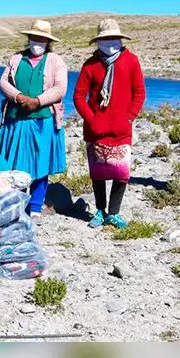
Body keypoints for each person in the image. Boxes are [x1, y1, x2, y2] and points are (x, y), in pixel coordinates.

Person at [73, 19, 146, 229]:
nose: (110, 42)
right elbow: (79, 96)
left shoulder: (131, 61)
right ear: (98, 41)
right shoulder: (90, 64)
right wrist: (91, 118)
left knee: (121, 173)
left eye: (113, 38)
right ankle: (100, 210)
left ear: (120, 39)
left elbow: (139, 93)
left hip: (122, 129)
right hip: (95, 129)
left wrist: (129, 117)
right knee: (98, 173)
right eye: (105, 39)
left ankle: (114, 212)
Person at [0, 20, 68, 217]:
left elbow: (60, 87)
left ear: (47, 41)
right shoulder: (17, 58)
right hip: (16, 118)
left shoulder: (55, 60)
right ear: (29, 38)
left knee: (41, 160)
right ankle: (15, 200)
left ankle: (36, 204)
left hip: (42, 119)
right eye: (34, 38)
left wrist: (38, 101)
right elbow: (3, 81)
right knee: (14, 162)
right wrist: (18, 97)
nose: (38, 42)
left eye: (42, 39)